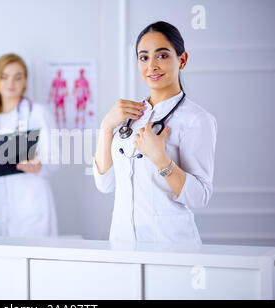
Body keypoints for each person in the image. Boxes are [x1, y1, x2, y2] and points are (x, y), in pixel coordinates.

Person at [93, 21, 217, 244]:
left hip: (171, 245)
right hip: (122, 243)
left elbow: (200, 197)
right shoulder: (128, 116)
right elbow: (105, 185)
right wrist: (106, 127)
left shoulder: (197, 120)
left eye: (162, 56)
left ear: (182, 59)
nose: (152, 66)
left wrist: (160, 159)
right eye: (144, 57)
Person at [0, 53, 58, 237]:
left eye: (18, 77)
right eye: (4, 76)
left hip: (31, 209)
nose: (11, 83)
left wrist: (39, 167)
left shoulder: (38, 113)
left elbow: (56, 160)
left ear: (25, 81)